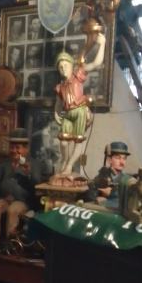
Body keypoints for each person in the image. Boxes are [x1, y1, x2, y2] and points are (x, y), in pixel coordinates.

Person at [54, 29, 106, 175]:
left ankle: (69, 166)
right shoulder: (60, 86)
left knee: (78, 140)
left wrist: (102, 44)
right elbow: (58, 102)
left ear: (72, 66)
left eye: (66, 65)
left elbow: (96, 63)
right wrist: (56, 113)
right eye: (60, 67)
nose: (63, 69)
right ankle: (65, 160)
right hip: (67, 114)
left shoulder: (78, 75)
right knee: (63, 142)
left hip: (79, 111)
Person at [0, 128, 33, 249]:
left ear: (26, 149)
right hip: (5, 199)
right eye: (12, 147)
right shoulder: (5, 164)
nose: (14, 150)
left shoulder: (32, 164)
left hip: (22, 201)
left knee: (13, 210)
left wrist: (28, 173)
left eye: (18, 147)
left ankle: (10, 244)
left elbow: (36, 183)